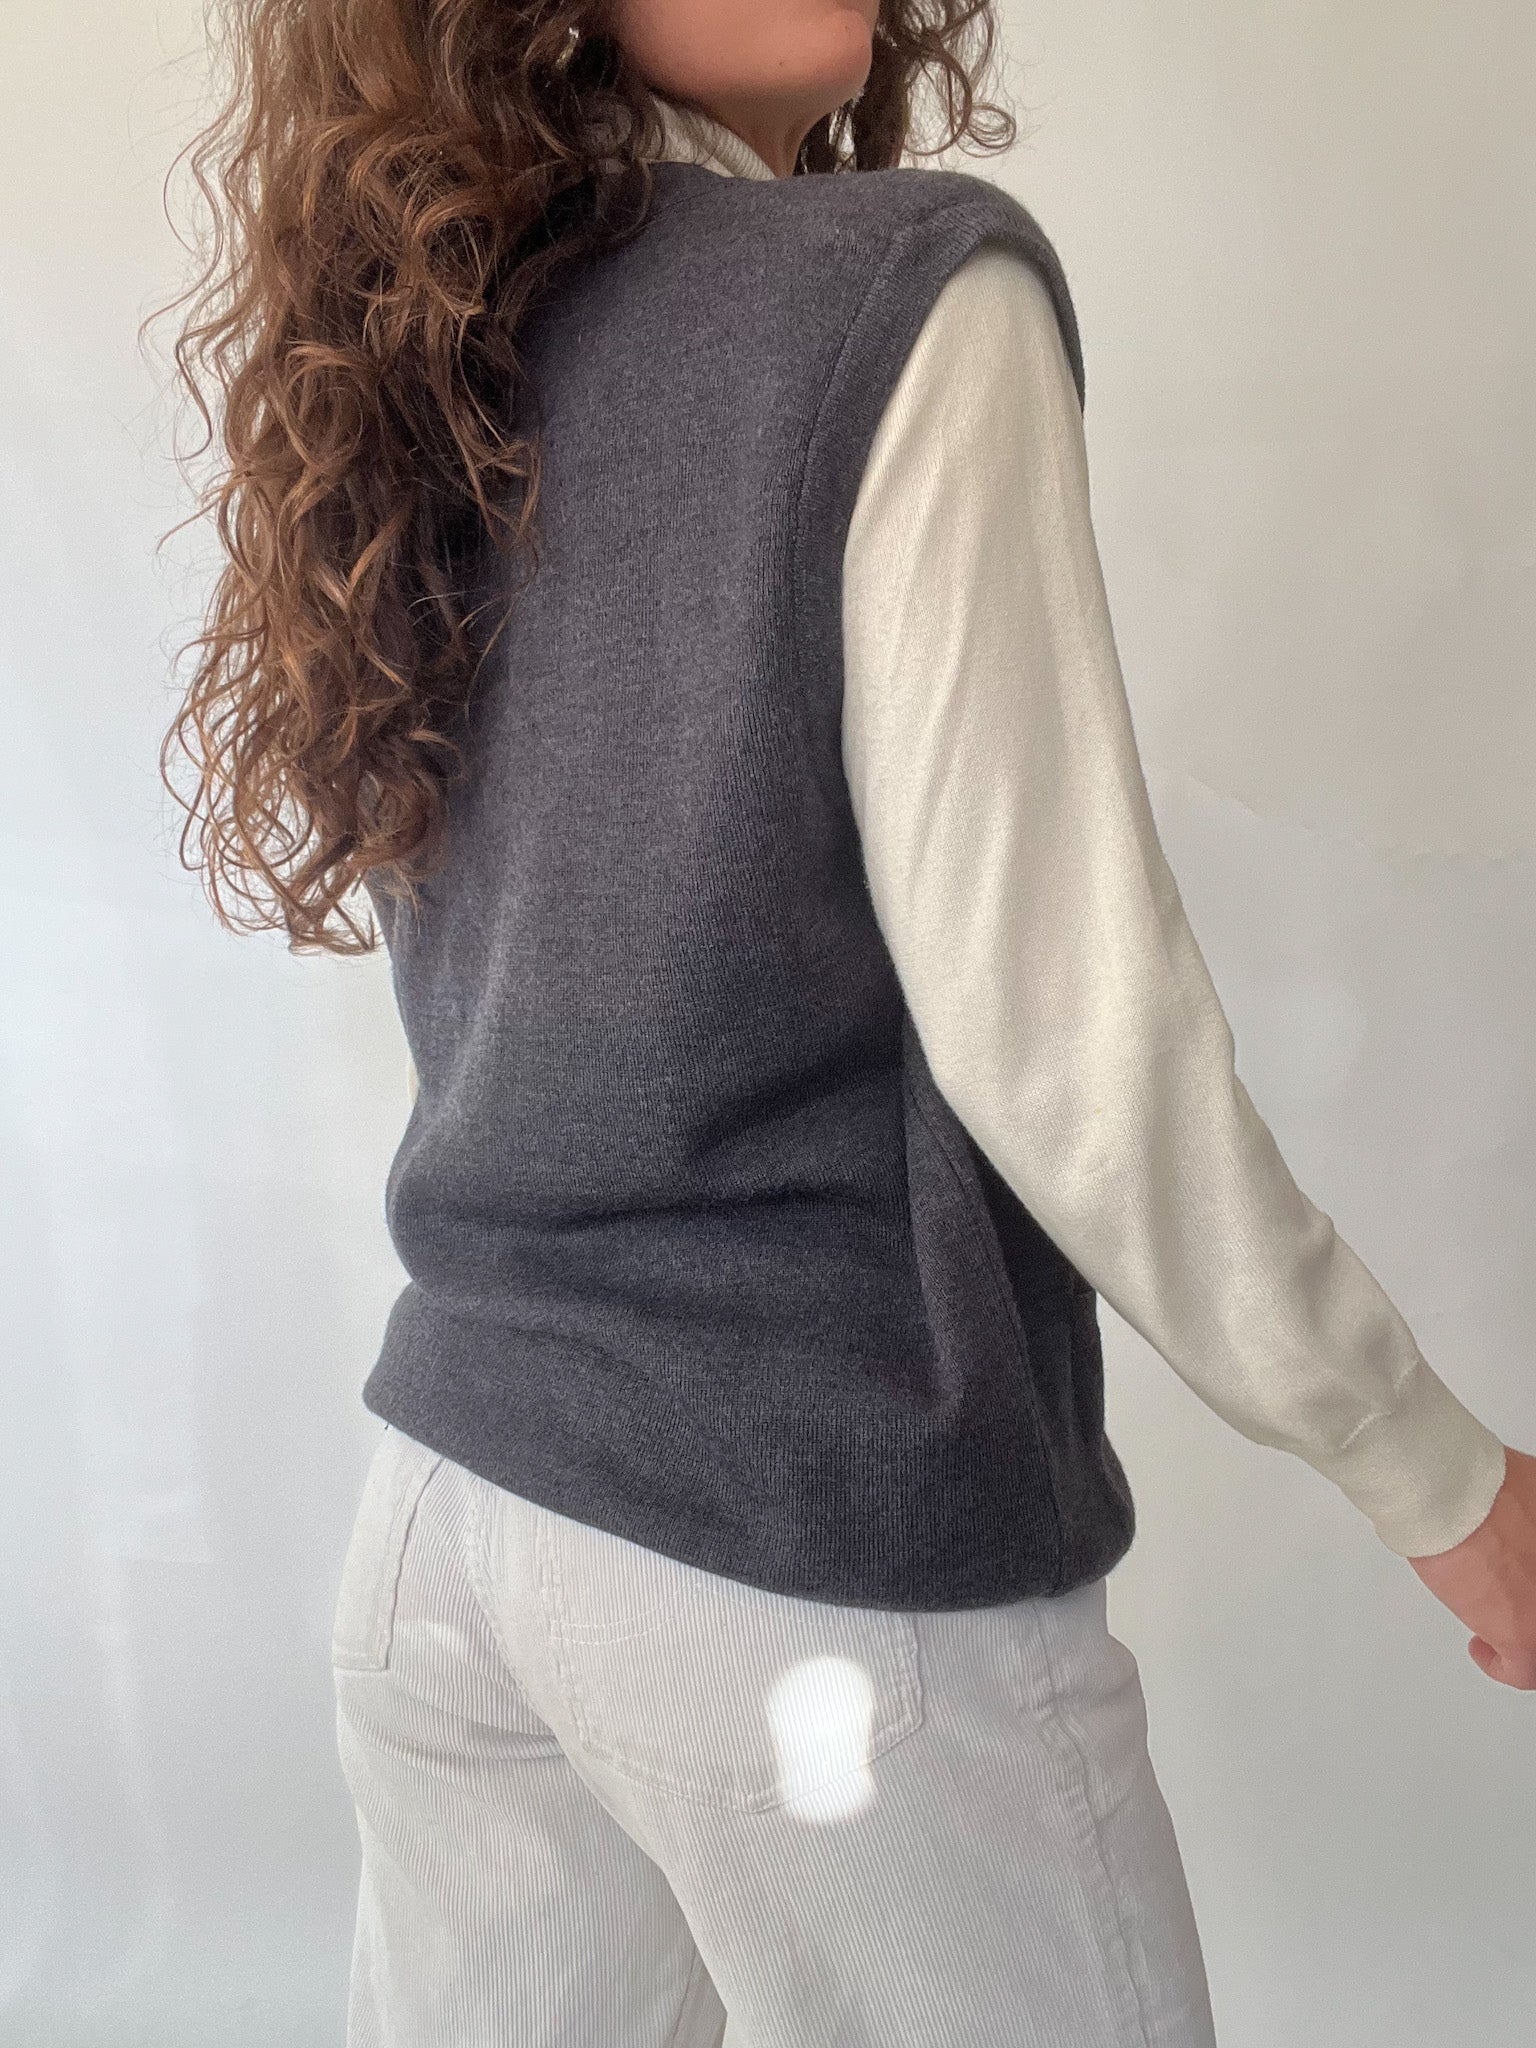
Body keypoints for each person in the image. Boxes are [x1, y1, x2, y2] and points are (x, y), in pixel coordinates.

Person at [161, 1, 1536, 2041]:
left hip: (453, 1526)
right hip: (806, 1559)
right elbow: (1070, 1038)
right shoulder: (901, 294)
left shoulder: (432, 346)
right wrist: (1436, 1474)